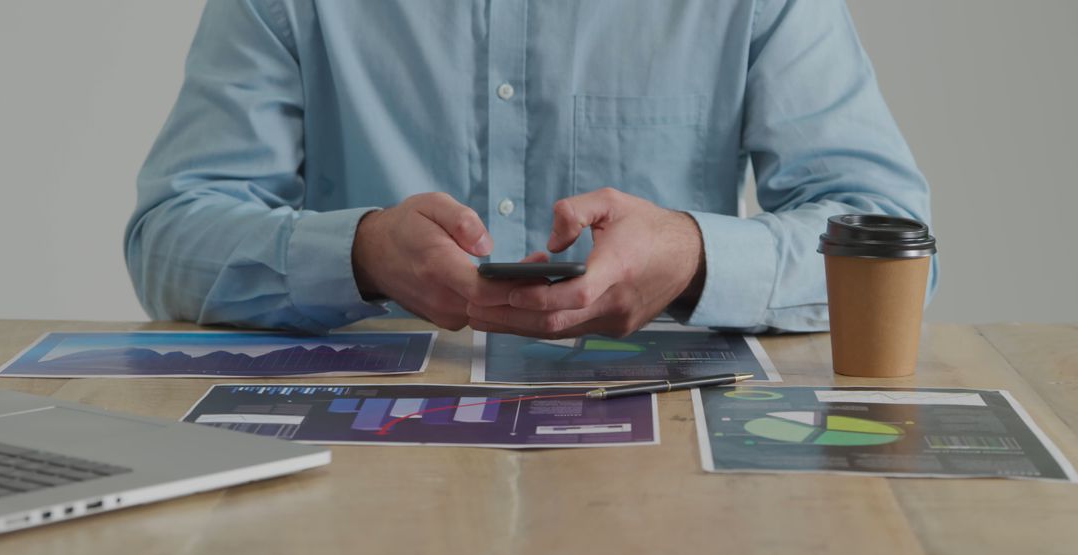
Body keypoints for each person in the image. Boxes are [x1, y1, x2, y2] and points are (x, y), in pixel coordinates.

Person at [126, 0, 936, 339]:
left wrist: (693, 256)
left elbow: (890, 235)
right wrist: (363, 254)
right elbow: (170, 235)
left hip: (670, 454)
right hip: (366, 457)